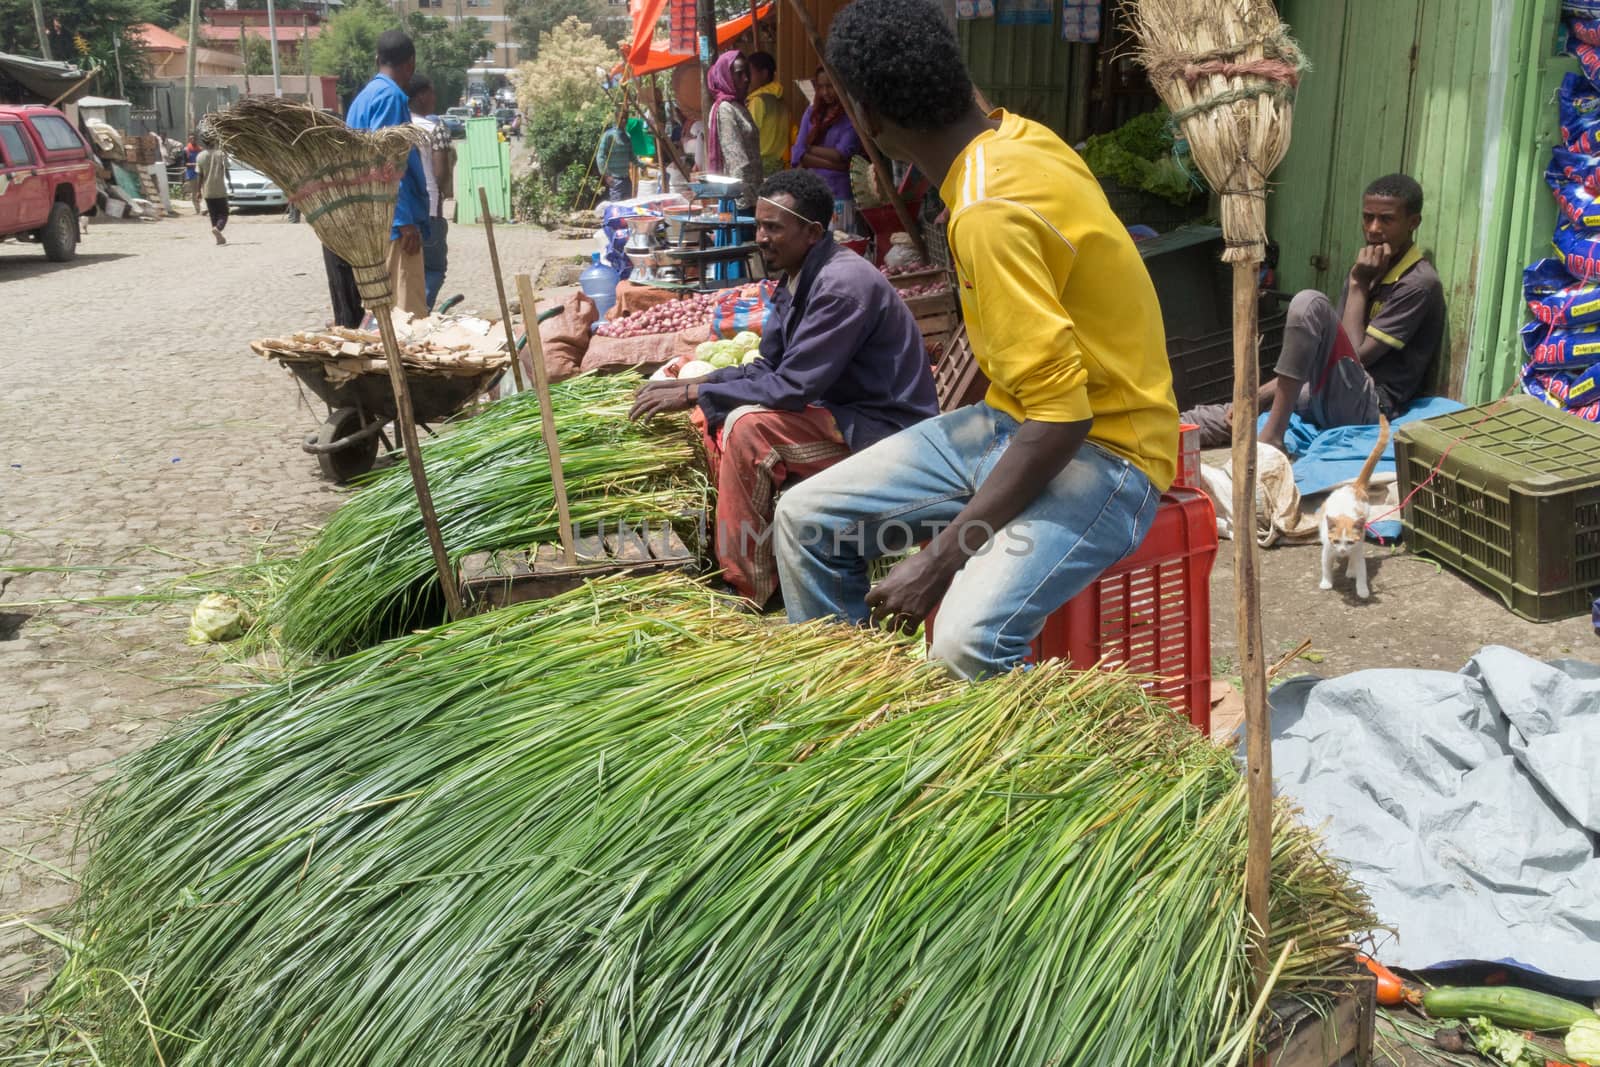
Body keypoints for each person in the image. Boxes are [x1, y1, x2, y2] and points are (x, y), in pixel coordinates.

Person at [771, 0, 1177, 680]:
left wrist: (937, 560)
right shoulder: (1014, 136)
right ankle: (847, 707)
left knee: (964, 642)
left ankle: (1017, 767)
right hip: (1011, 423)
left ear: (868, 119)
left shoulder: (988, 209)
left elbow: (1065, 417)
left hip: (1109, 455)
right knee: (805, 519)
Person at [629, 169, 938, 610]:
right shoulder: (796, 277)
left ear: (811, 232)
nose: (761, 237)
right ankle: (742, 557)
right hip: (841, 413)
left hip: (886, 433)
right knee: (718, 414)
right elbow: (767, 367)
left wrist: (695, 393)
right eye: (759, 224)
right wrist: (696, 384)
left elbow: (792, 387)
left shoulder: (841, 286)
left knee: (748, 428)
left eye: (773, 227)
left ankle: (750, 589)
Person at [1182, 174, 1446, 452]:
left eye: (1386, 220)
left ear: (1413, 223)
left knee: (1308, 303)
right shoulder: (1370, 268)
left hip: (1370, 407)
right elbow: (1329, 353)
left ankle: (1272, 435)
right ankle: (1171, 430)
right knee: (1229, 414)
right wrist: (1256, 397)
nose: (1373, 229)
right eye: (1367, 217)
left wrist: (1358, 285)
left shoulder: (1418, 283)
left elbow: (1354, 356)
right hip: (1330, 390)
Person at [345, 29, 430, 318]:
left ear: (377, 59)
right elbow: (387, 161)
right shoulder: (391, 97)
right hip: (393, 223)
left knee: (380, 311)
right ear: (411, 63)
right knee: (407, 314)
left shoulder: (363, 98)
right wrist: (403, 221)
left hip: (370, 220)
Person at [790, 67, 865, 233]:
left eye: (830, 86)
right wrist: (837, 165)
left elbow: (842, 154)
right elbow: (797, 153)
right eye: (821, 87)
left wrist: (809, 150)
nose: (826, 92)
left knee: (840, 247)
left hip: (840, 196)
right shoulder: (812, 113)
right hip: (813, 195)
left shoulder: (849, 116)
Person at [407, 74, 453, 312]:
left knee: (406, 272)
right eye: (432, 92)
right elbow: (440, 174)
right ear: (422, 96)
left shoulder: (397, 127)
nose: (434, 97)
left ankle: (405, 314)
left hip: (402, 213)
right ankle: (419, 314)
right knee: (434, 269)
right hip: (430, 212)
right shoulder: (435, 130)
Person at [704, 50, 762, 210]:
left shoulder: (739, 106)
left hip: (752, 195)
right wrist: (747, 203)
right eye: (739, 74)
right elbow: (737, 160)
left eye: (747, 73)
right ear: (726, 76)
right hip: (740, 201)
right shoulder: (725, 109)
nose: (746, 79)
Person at [746, 51, 787, 176]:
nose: (746, 78)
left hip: (760, 166)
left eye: (749, 73)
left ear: (764, 74)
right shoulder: (780, 98)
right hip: (778, 165)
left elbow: (747, 136)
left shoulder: (758, 101)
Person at [195, 136, 231, 246]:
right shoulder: (221, 154)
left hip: (207, 190)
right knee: (224, 213)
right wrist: (230, 182)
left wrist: (198, 191)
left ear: (204, 143)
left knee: (213, 214)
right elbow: (227, 170)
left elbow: (200, 175)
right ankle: (217, 229)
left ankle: (218, 237)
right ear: (215, 142)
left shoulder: (200, 156)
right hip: (219, 189)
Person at [596, 106, 637, 202]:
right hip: (615, 180)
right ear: (616, 118)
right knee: (617, 209)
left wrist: (643, 165)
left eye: (626, 118)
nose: (624, 120)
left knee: (627, 209)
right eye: (621, 118)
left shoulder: (627, 136)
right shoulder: (608, 135)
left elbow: (632, 157)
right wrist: (606, 175)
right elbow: (600, 157)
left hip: (627, 180)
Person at [183, 131, 202, 215]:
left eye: (194, 138)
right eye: (191, 138)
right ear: (189, 139)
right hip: (192, 173)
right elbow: (184, 163)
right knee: (194, 192)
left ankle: (204, 208)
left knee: (203, 191)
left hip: (200, 172)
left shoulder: (200, 149)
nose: (193, 140)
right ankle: (197, 209)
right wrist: (195, 164)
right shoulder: (186, 150)